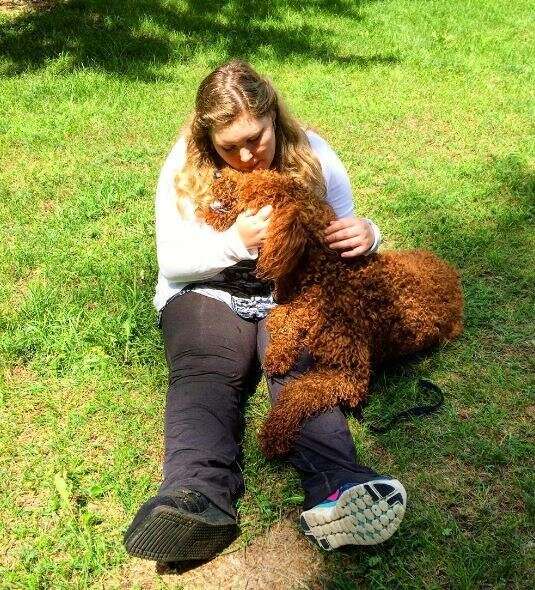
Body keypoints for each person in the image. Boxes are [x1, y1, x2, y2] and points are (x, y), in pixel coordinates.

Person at [123, 60, 407, 562]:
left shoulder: (314, 154)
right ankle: (195, 497)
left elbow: (339, 227)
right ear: (206, 137)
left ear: (274, 117)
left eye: (256, 138)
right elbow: (173, 261)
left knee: (300, 368)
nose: (247, 155)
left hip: (289, 294)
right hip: (205, 292)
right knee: (206, 373)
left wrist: (368, 233)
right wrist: (235, 242)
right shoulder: (183, 166)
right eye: (229, 147)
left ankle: (339, 485)